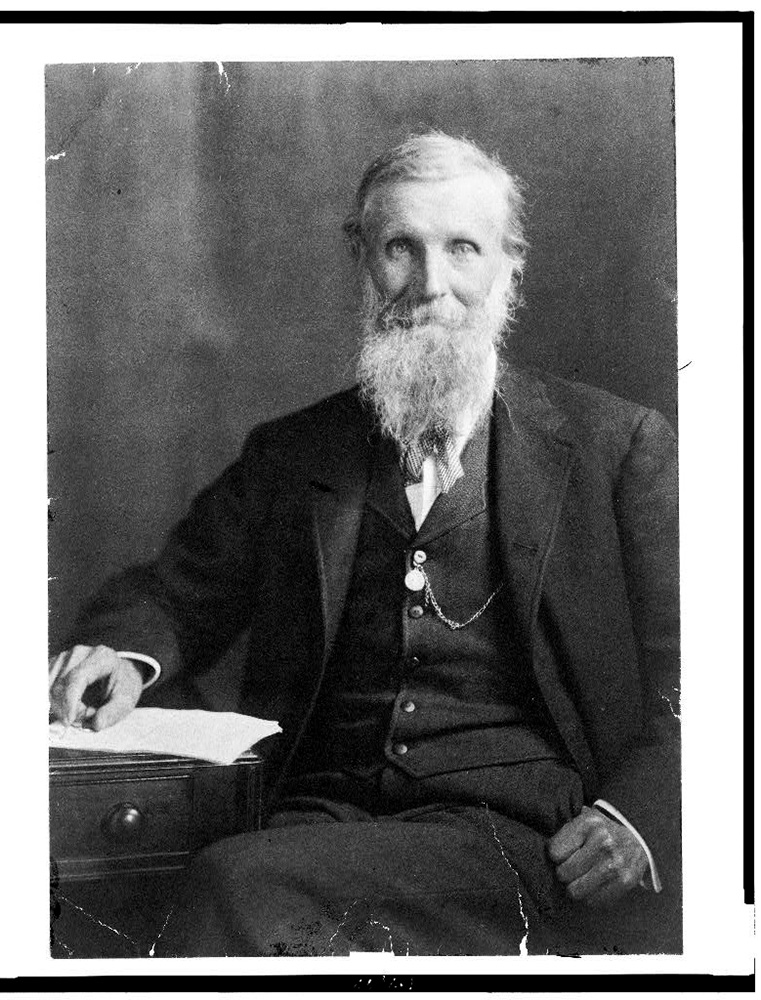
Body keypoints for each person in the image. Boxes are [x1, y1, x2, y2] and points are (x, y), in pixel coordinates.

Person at [48, 132, 680, 957]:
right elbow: (175, 591)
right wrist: (124, 656)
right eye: (399, 249)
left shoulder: (614, 446)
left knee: (235, 887)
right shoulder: (293, 452)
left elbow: (719, 673)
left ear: (508, 267)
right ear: (361, 259)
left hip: (519, 832)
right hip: (318, 811)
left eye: (462, 248)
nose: (430, 286)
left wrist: (644, 817)